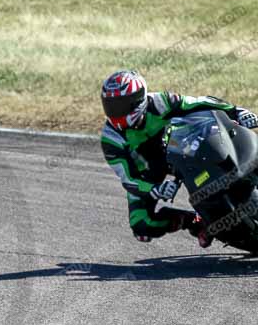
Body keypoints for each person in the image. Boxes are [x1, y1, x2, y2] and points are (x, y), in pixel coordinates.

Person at [99, 70, 258, 247]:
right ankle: (196, 223)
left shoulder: (159, 102)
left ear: (138, 100)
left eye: (120, 105)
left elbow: (198, 103)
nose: (115, 112)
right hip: (147, 174)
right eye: (111, 106)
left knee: (228, 141)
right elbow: (128, 179)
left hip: (181, 149)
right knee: (141, 226)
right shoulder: (111, 138)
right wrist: (154, 189)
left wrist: (236, 111)